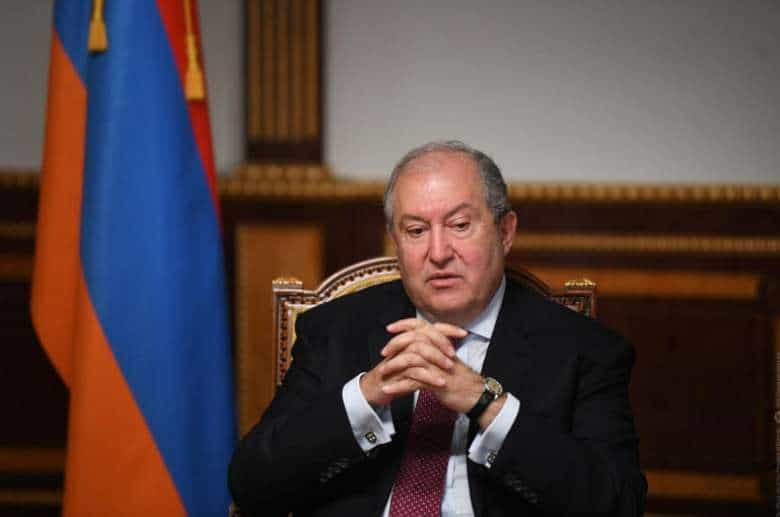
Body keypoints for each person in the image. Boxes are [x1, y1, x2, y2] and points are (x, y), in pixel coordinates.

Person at [229, 141, 647, 516]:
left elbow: (617, 503)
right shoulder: (335, 330)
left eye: (460, 225)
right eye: (416, 231)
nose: (439, 252)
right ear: (396, 241)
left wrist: (485, 403)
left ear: (505, 232)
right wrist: (365, 396)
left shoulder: (583, 350)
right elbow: (252, 485)